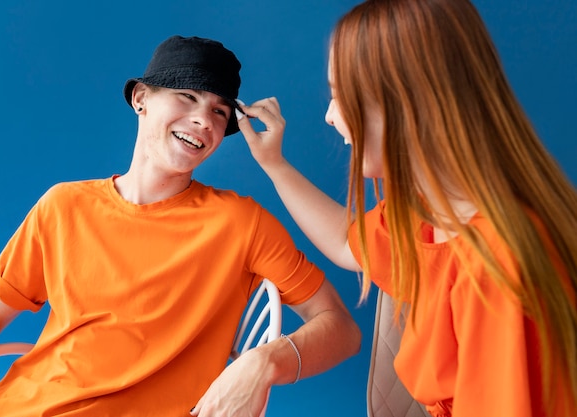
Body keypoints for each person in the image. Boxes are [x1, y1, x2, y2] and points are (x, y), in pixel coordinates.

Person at [0, 35, 361, 416]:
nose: (204, 119)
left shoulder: (241, 223)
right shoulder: (63, 205)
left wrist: (265, 361)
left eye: (219, 111)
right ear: (141, 99)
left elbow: (341, 328)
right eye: (187, 96)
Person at [236, 1, 577, 416]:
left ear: (408, 104)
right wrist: (275, 165)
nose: (329, 116)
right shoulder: (428, 214)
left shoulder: (495, 267)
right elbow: (349, 244)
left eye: (340, 95)